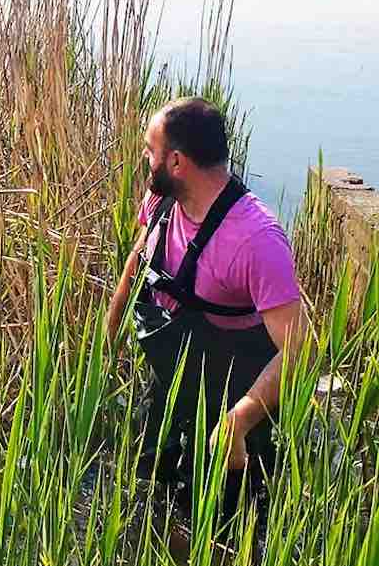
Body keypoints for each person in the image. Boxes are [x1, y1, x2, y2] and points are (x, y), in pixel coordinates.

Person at [105, 97, 307, 522]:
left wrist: (239, 422)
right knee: (148, 493)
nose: (144, 157)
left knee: (224, 520)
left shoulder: (258, 240)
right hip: (170, 379)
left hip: (231, 397)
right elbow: (136, 261)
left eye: (149, 149)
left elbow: (300, 349)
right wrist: (106, 342)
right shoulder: (162, 198)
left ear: (176, 160)